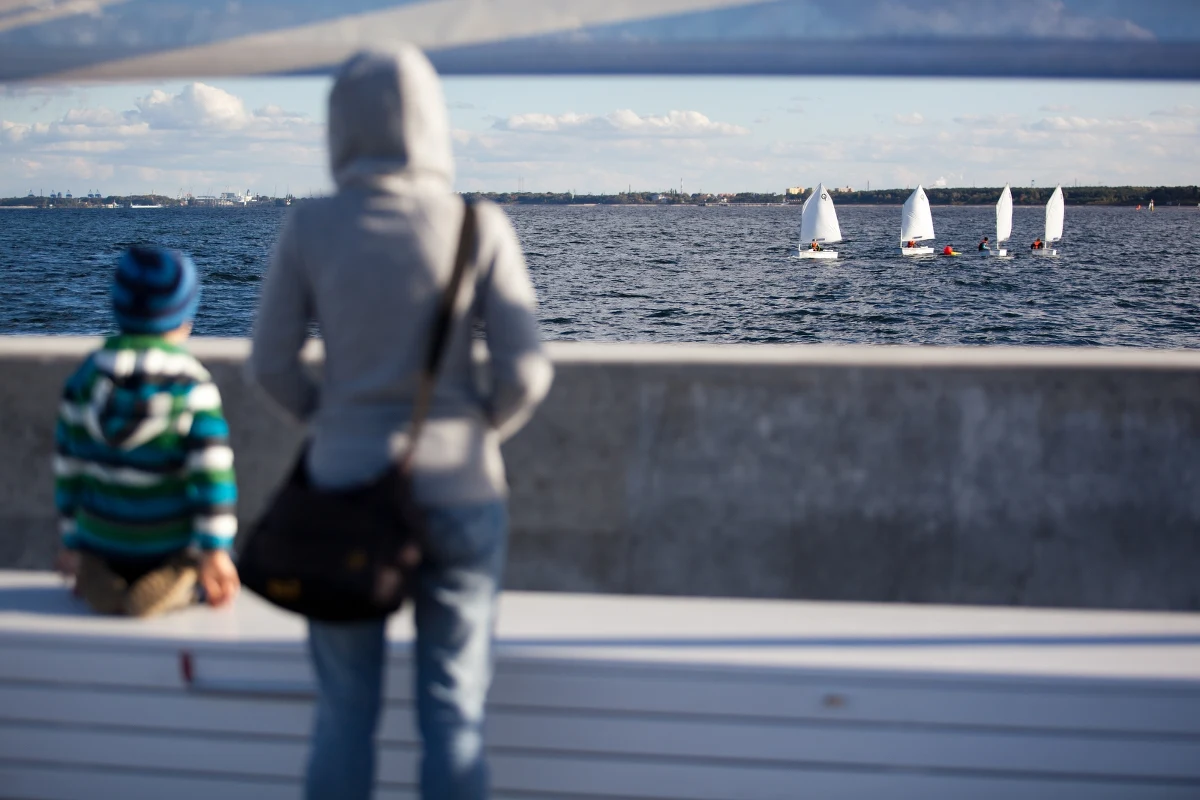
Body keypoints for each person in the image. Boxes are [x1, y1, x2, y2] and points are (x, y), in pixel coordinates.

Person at [248, 47, 553, 800]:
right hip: (462, 490)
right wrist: (477, 430)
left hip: (345, 488)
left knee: (344, 712)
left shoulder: (310, 226)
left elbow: (269, 363)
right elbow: (526, 372)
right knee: (454, 711)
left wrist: (333, 419)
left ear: (339, 126)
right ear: (431, 122)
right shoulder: (479, 225)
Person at [53, 246, 240, 617]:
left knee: (100, 561)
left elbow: (69, 470)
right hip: (165, 542)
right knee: (201, 566)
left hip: (102, 540)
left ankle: (101, 577)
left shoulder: (86, 377)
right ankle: (178, 582)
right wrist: (215, 550)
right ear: (185, 316)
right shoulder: (191, 385)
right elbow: (211, 475)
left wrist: (72, 540)